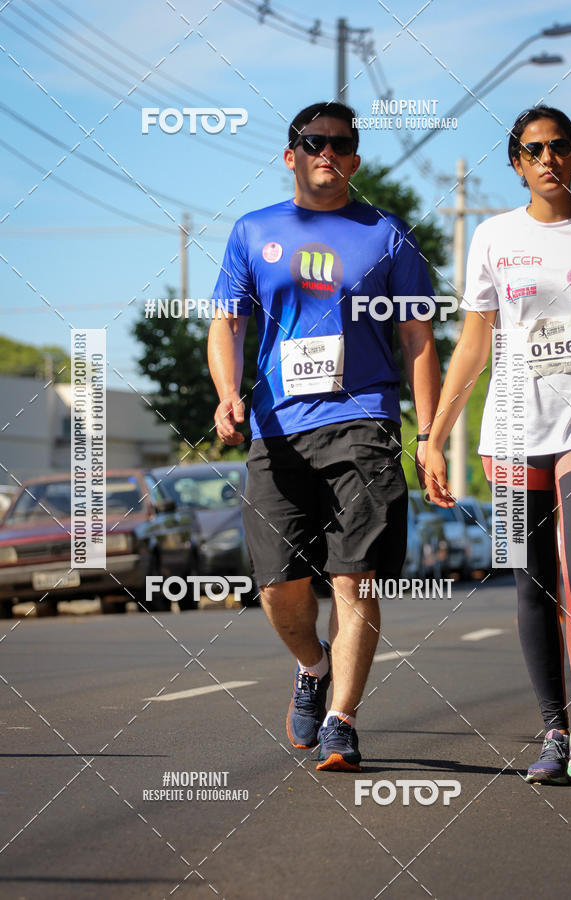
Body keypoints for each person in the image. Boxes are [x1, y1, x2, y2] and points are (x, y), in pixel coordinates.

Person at [208, 101, 441, 771]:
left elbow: (418, 336)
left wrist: (427, 434)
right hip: (277, 428)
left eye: (340, 144)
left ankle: (342, 719)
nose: (326, 152)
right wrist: (228, 394)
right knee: (279, 584)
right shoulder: (253, 232)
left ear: (355, 159)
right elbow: (226, 323)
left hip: (363, 421)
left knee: (354, 576)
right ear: (291, 154)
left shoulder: (386, 234)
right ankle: (312, 667)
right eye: (313, 142)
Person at [425, 105, 571, 790]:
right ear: (517, 162)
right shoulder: (495, 237)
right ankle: (554, 731)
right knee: (530, 580)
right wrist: (435, 435)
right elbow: (472, 344)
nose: (548, 158)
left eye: (559, 146)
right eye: (534, 149)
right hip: (510, 432)